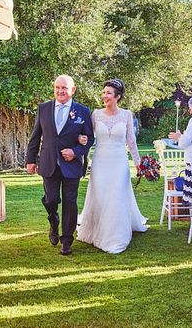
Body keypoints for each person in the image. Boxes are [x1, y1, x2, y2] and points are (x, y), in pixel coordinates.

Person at [77, 79, 148, 254]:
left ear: (118, 96)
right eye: (103, 92)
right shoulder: (95, 114)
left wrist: (139, 163)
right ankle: (97, 231)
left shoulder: (126, 115)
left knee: (116, 196)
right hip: (100, 161)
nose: (104, 96)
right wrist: (82, 140)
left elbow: (131, 141)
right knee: (100, 195)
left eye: (108, 93)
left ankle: (115, 237)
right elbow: (87, 136)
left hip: (119, 163)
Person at [25, 75, 94, 256]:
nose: (60, 91)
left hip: (71, 166)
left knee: (70, 203)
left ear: (73, 90)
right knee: (51, 199)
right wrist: (30, 160)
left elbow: (89, 138)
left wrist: (76, 152)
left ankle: (67, 240)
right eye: (57, 87)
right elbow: (36, 136)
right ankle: (53, 221)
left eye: (64, 88)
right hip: (48, 163)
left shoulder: (83, 111)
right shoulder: (43, 108)